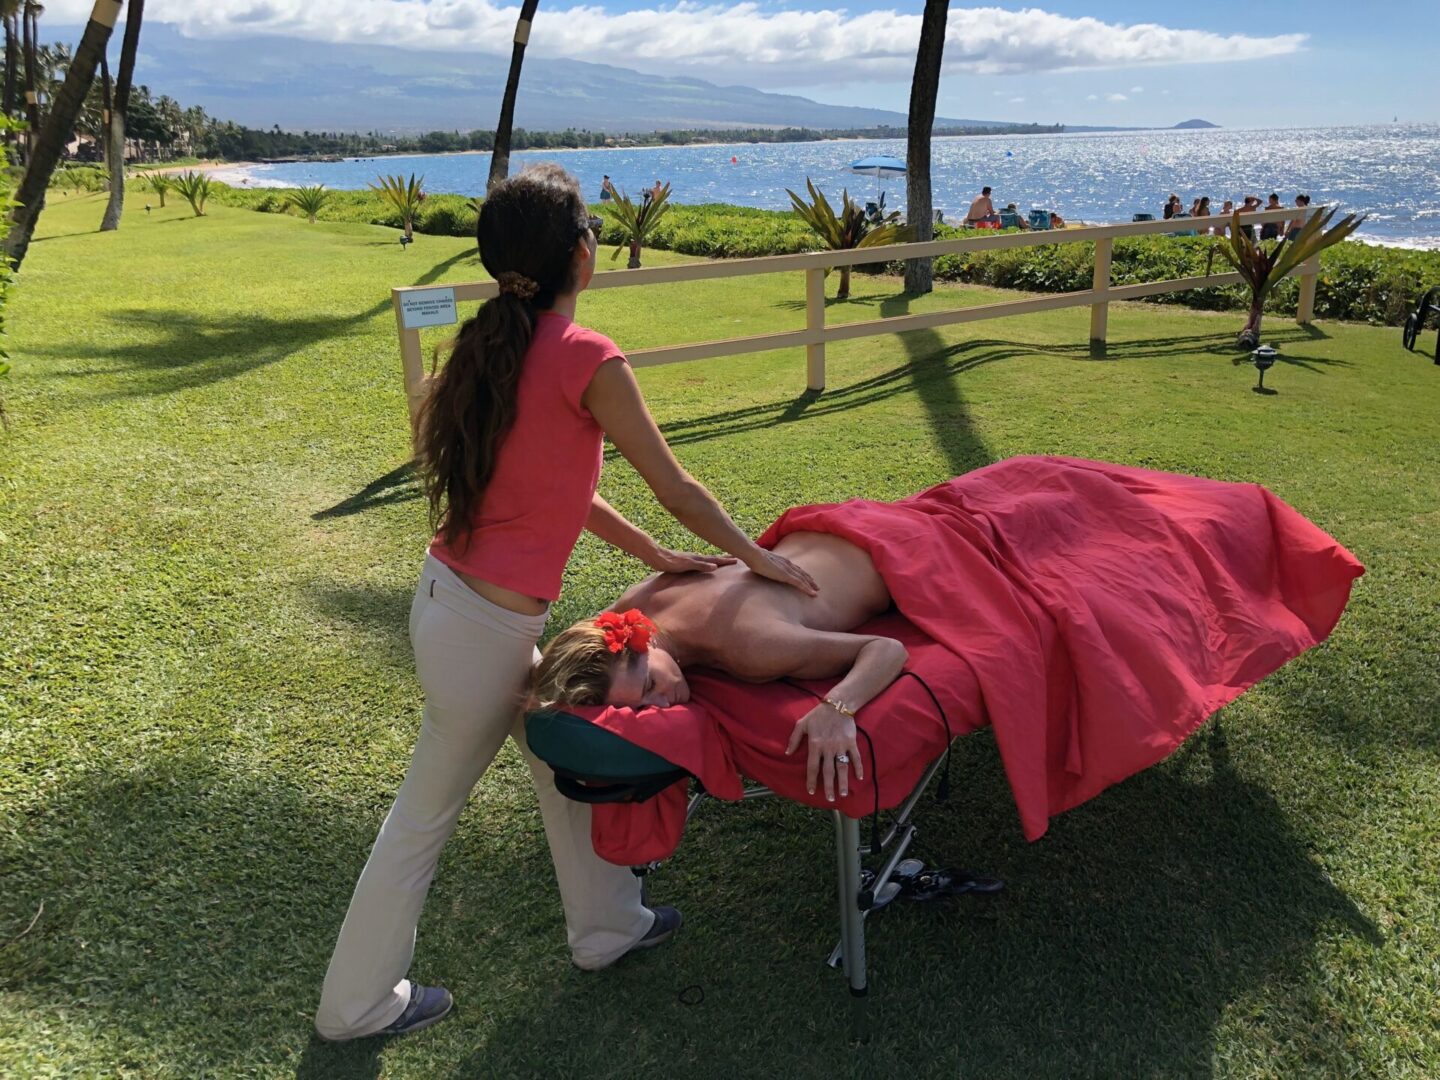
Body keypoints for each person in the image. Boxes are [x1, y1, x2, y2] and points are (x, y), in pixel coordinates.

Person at [313, 164, 817, 1042]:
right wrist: (756, 560)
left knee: (558, 764)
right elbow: (679, 485)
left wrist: (652, 555)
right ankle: (355, 1006)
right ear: (582, 255)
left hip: (462, 613)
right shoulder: (586, 357)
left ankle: (607, 926)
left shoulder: (494, 346)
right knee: (423, 819)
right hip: (481, 633)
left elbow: (557, 486)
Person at [534, 529, 902, 802]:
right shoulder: (631, 608)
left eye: (650, 685)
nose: (664, 705)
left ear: (643, 643)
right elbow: (569, 663)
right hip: (817, 534)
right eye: (642, 708)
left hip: (889, 552)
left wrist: (838, 707)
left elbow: (886, 649)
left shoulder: (750, 647)